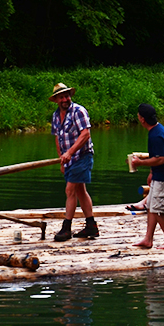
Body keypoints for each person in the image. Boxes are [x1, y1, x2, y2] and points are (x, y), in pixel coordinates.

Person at [49, 83, 98, 241]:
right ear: (56, 100)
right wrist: (61, 159)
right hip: (69, 160)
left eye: (67, 95)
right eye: (62, 97)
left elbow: (85, 134)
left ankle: (66, 228)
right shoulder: (56, 116)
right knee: (80, 191)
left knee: (70, 190)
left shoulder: (78, 111)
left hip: (82, 156)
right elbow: (58, 138)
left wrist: (70, 152)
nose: (65, 99)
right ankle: (91, 226)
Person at [130, 104, 164, 249]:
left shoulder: (156, 135)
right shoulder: (156, 130)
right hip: (160, 175)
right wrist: (152, 173)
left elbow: (160, 159)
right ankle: (148, 239)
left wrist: (140, 163)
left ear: (142, 119)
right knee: (151, 207)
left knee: (159, 210)